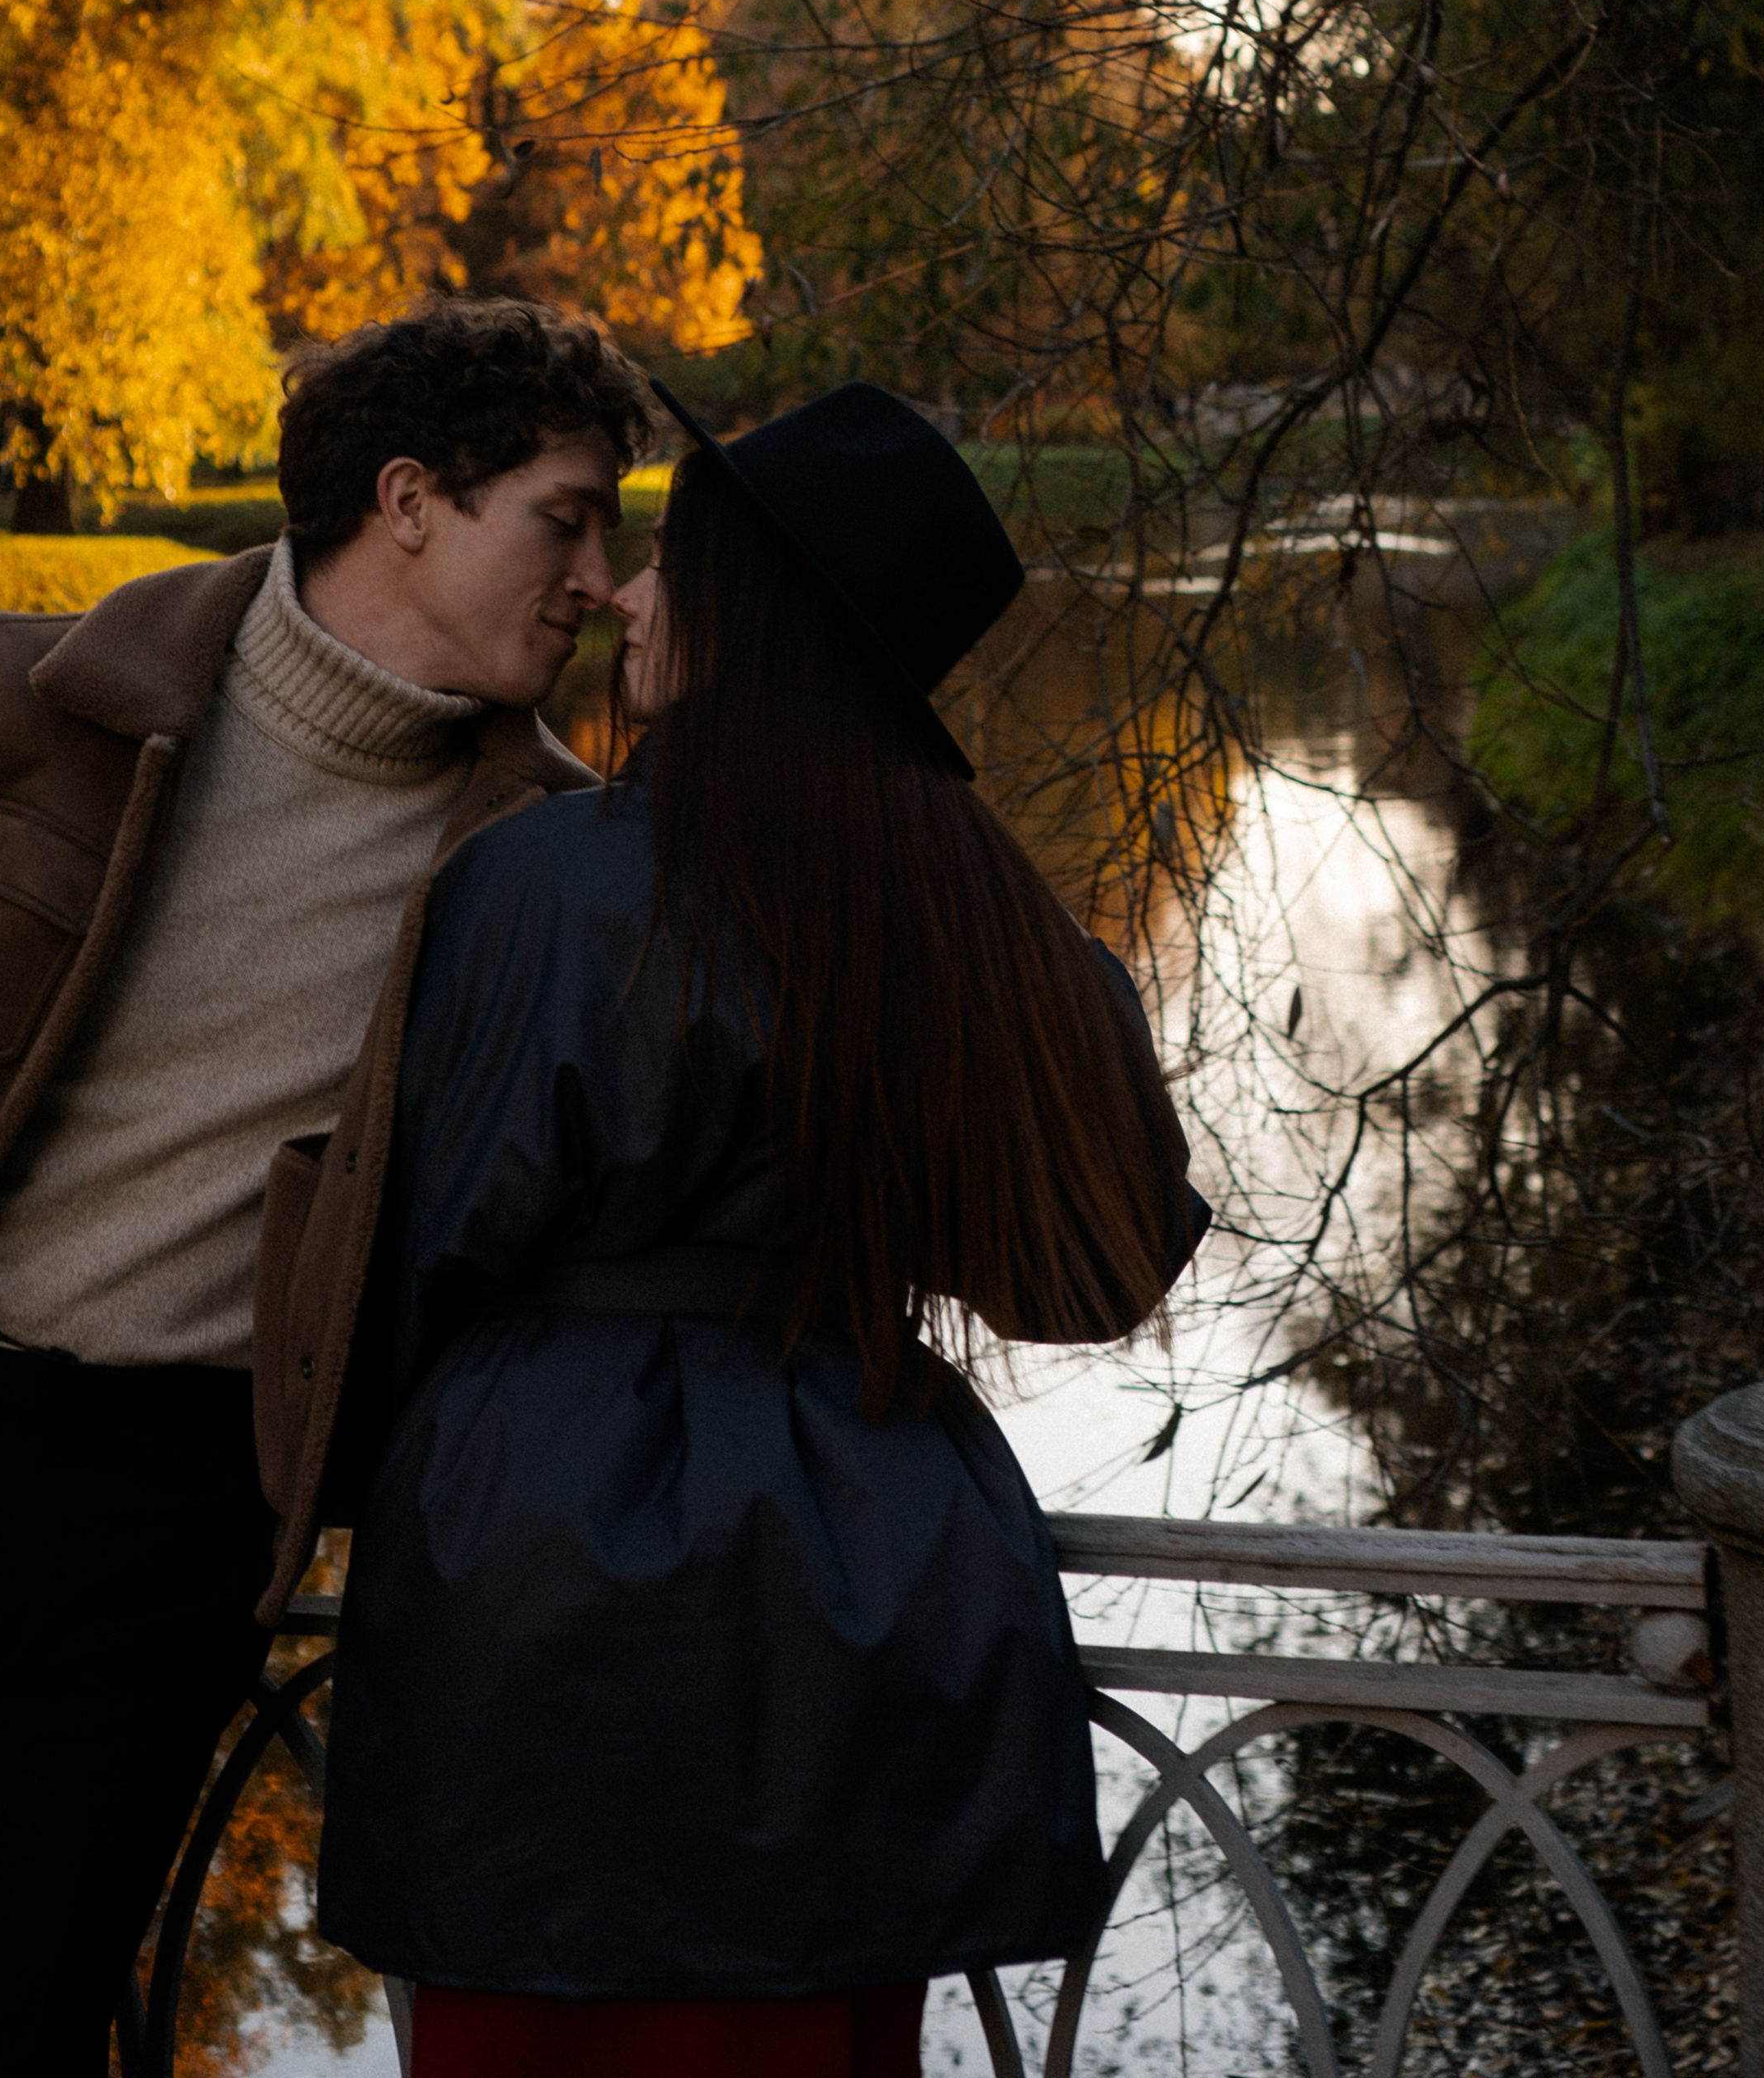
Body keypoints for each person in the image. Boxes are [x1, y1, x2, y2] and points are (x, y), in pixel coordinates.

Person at [318, 380, 1209, 2078]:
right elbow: (1093, 1270)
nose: (626, 597)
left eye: (669, 563)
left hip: (544, 1595)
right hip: (864, 1587)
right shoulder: (987, 926)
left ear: (758, 616)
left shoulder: (542, 885)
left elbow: (415, 1251)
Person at [0, 295, 654, 2078]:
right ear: (406, 502)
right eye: (568, 515)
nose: (601, 576)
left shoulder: (536, 863)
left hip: (161, 1523)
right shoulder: (14, 699)